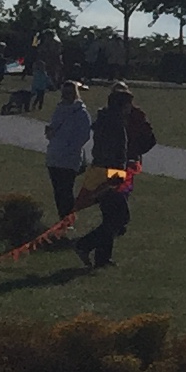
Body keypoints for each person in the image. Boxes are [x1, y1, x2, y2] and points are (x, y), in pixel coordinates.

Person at [74, 84, 155, 269]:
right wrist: (119, 175)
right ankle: (84, 245)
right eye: (128, 104)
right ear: (121, 106)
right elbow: (115, 153)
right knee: (121, 217)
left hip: (104, 171)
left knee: (110, 216)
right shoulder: (115, 124)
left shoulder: (107, 120)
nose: (130, 108)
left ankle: (102, 258)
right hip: (111, 174)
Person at [36, 79, 93, 219]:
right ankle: (63, 218)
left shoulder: (81, 113)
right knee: (58, 191)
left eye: (70, 92)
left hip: (69, 158)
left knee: (66, 190)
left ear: (75, 94)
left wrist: (70, 148)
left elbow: (84, 136)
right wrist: (50, 132)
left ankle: (68, 219)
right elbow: (54, 127)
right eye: (65, 92)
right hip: (54, 156)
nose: (66, 95)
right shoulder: (59, 109)